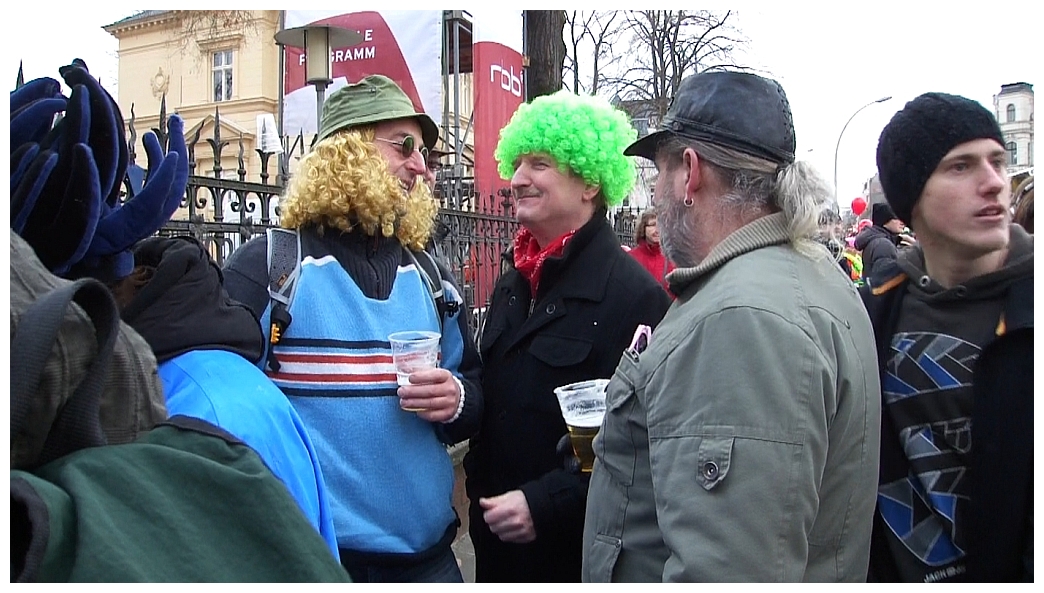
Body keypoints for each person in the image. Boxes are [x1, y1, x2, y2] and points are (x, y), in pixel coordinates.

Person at [582, 71, 881, 582]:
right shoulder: (806, 276)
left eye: (658, 173)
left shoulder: (740, 318)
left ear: (690, 172)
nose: (655, 192)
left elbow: (727, 569)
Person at [222, 74, 482, 583]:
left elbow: (472, 396)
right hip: (313, 565)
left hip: (431, 563)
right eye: (404, 146)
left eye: (423, 152)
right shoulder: (271, 268)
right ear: (347, 151)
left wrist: (456, 399)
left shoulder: (432, 278)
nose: (420, 166)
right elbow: (218, 413)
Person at [463, 90, 671, 583]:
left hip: (573, 559)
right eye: (517, 164)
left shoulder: (635, 297)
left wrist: (545, 503)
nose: (518, 179)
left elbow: (643, 448)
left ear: (590, 183)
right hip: (496, 551)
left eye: (540, 164)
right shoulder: (514, 281)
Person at [864, 92, 1033, 582]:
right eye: (961, 166)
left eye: (997, 161)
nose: (994, 182)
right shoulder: (870, 315)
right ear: (911, 196)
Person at [628, 209, 676, 294]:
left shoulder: (674, 258)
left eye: (661, 225)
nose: (657, 230)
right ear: (643, 228)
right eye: (653, 225)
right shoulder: (631, 258)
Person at [855, 202, 905, 277]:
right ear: (884, 221)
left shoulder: (875, 240)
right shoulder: (883, 244)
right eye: (896, 218)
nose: (902, 222)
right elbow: (886, 278)